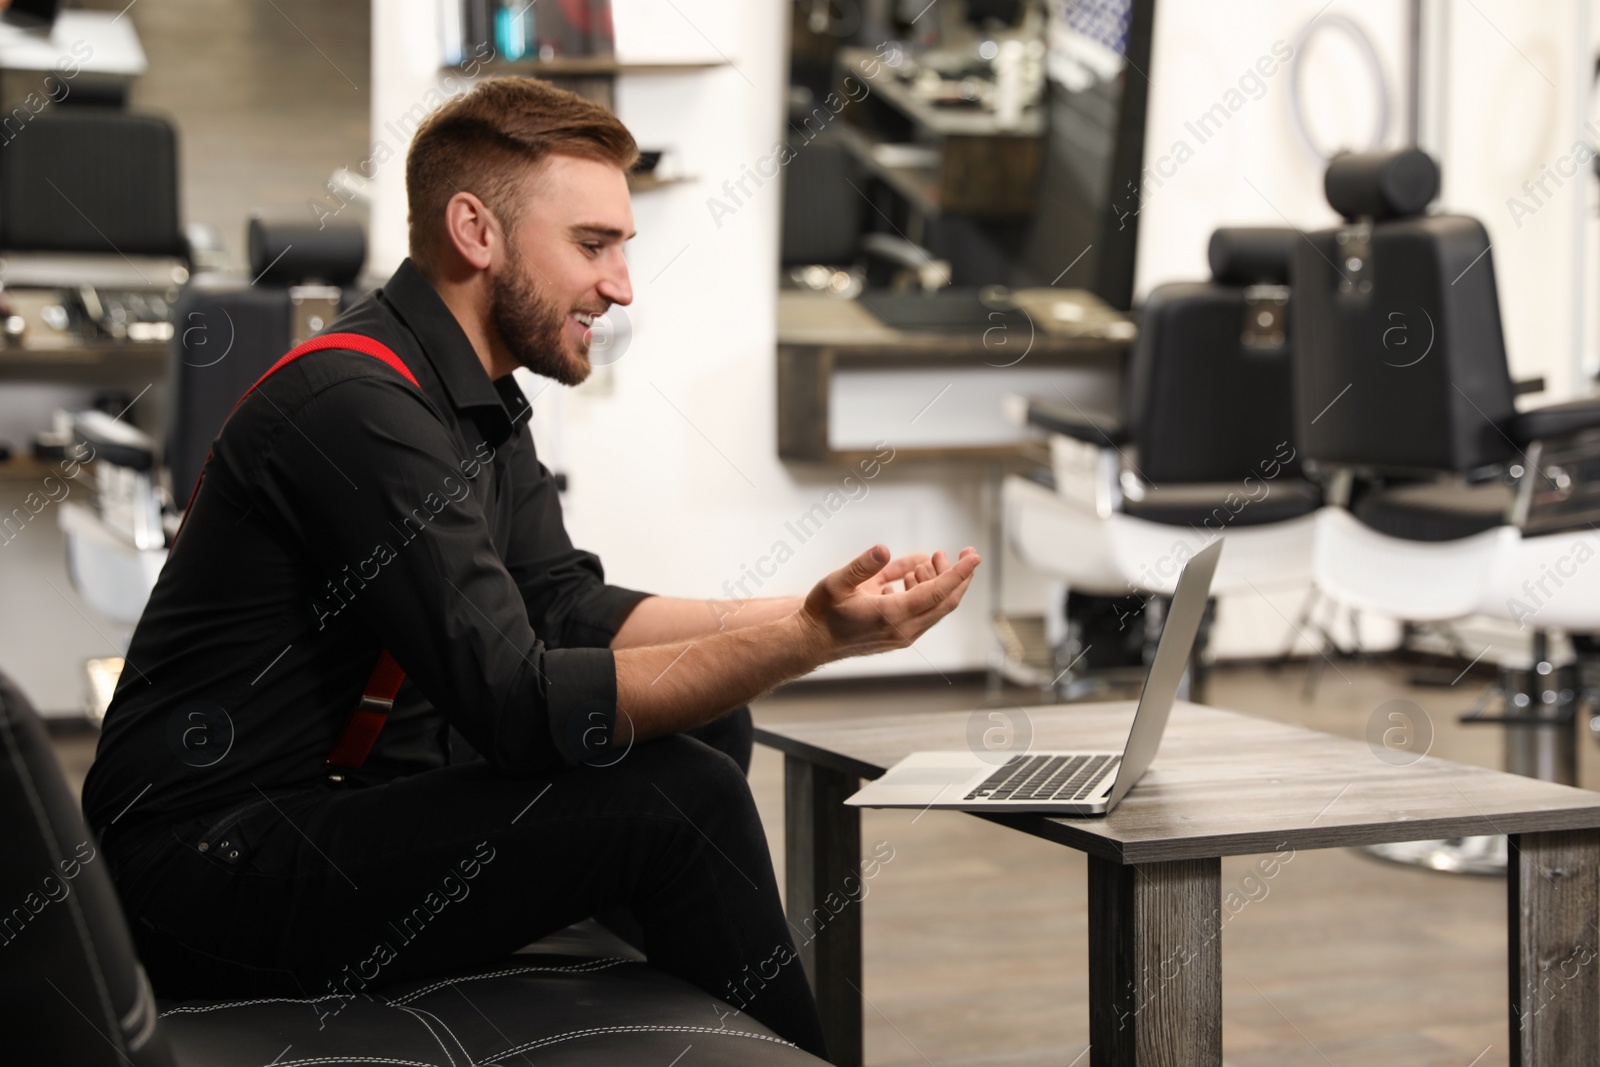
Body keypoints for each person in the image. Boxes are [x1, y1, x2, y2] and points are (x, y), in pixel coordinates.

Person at [80, 77, 978, 1058]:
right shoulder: (358, 405)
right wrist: (806, 641)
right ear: (477, 231)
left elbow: (565, 606)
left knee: (707, 717)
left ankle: (656, 1016)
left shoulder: (471, 397)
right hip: (210, 872)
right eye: (594, 245)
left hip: (331, 812)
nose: (623, 283)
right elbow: (514, 698)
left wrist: (807, 609)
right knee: (679, 793)